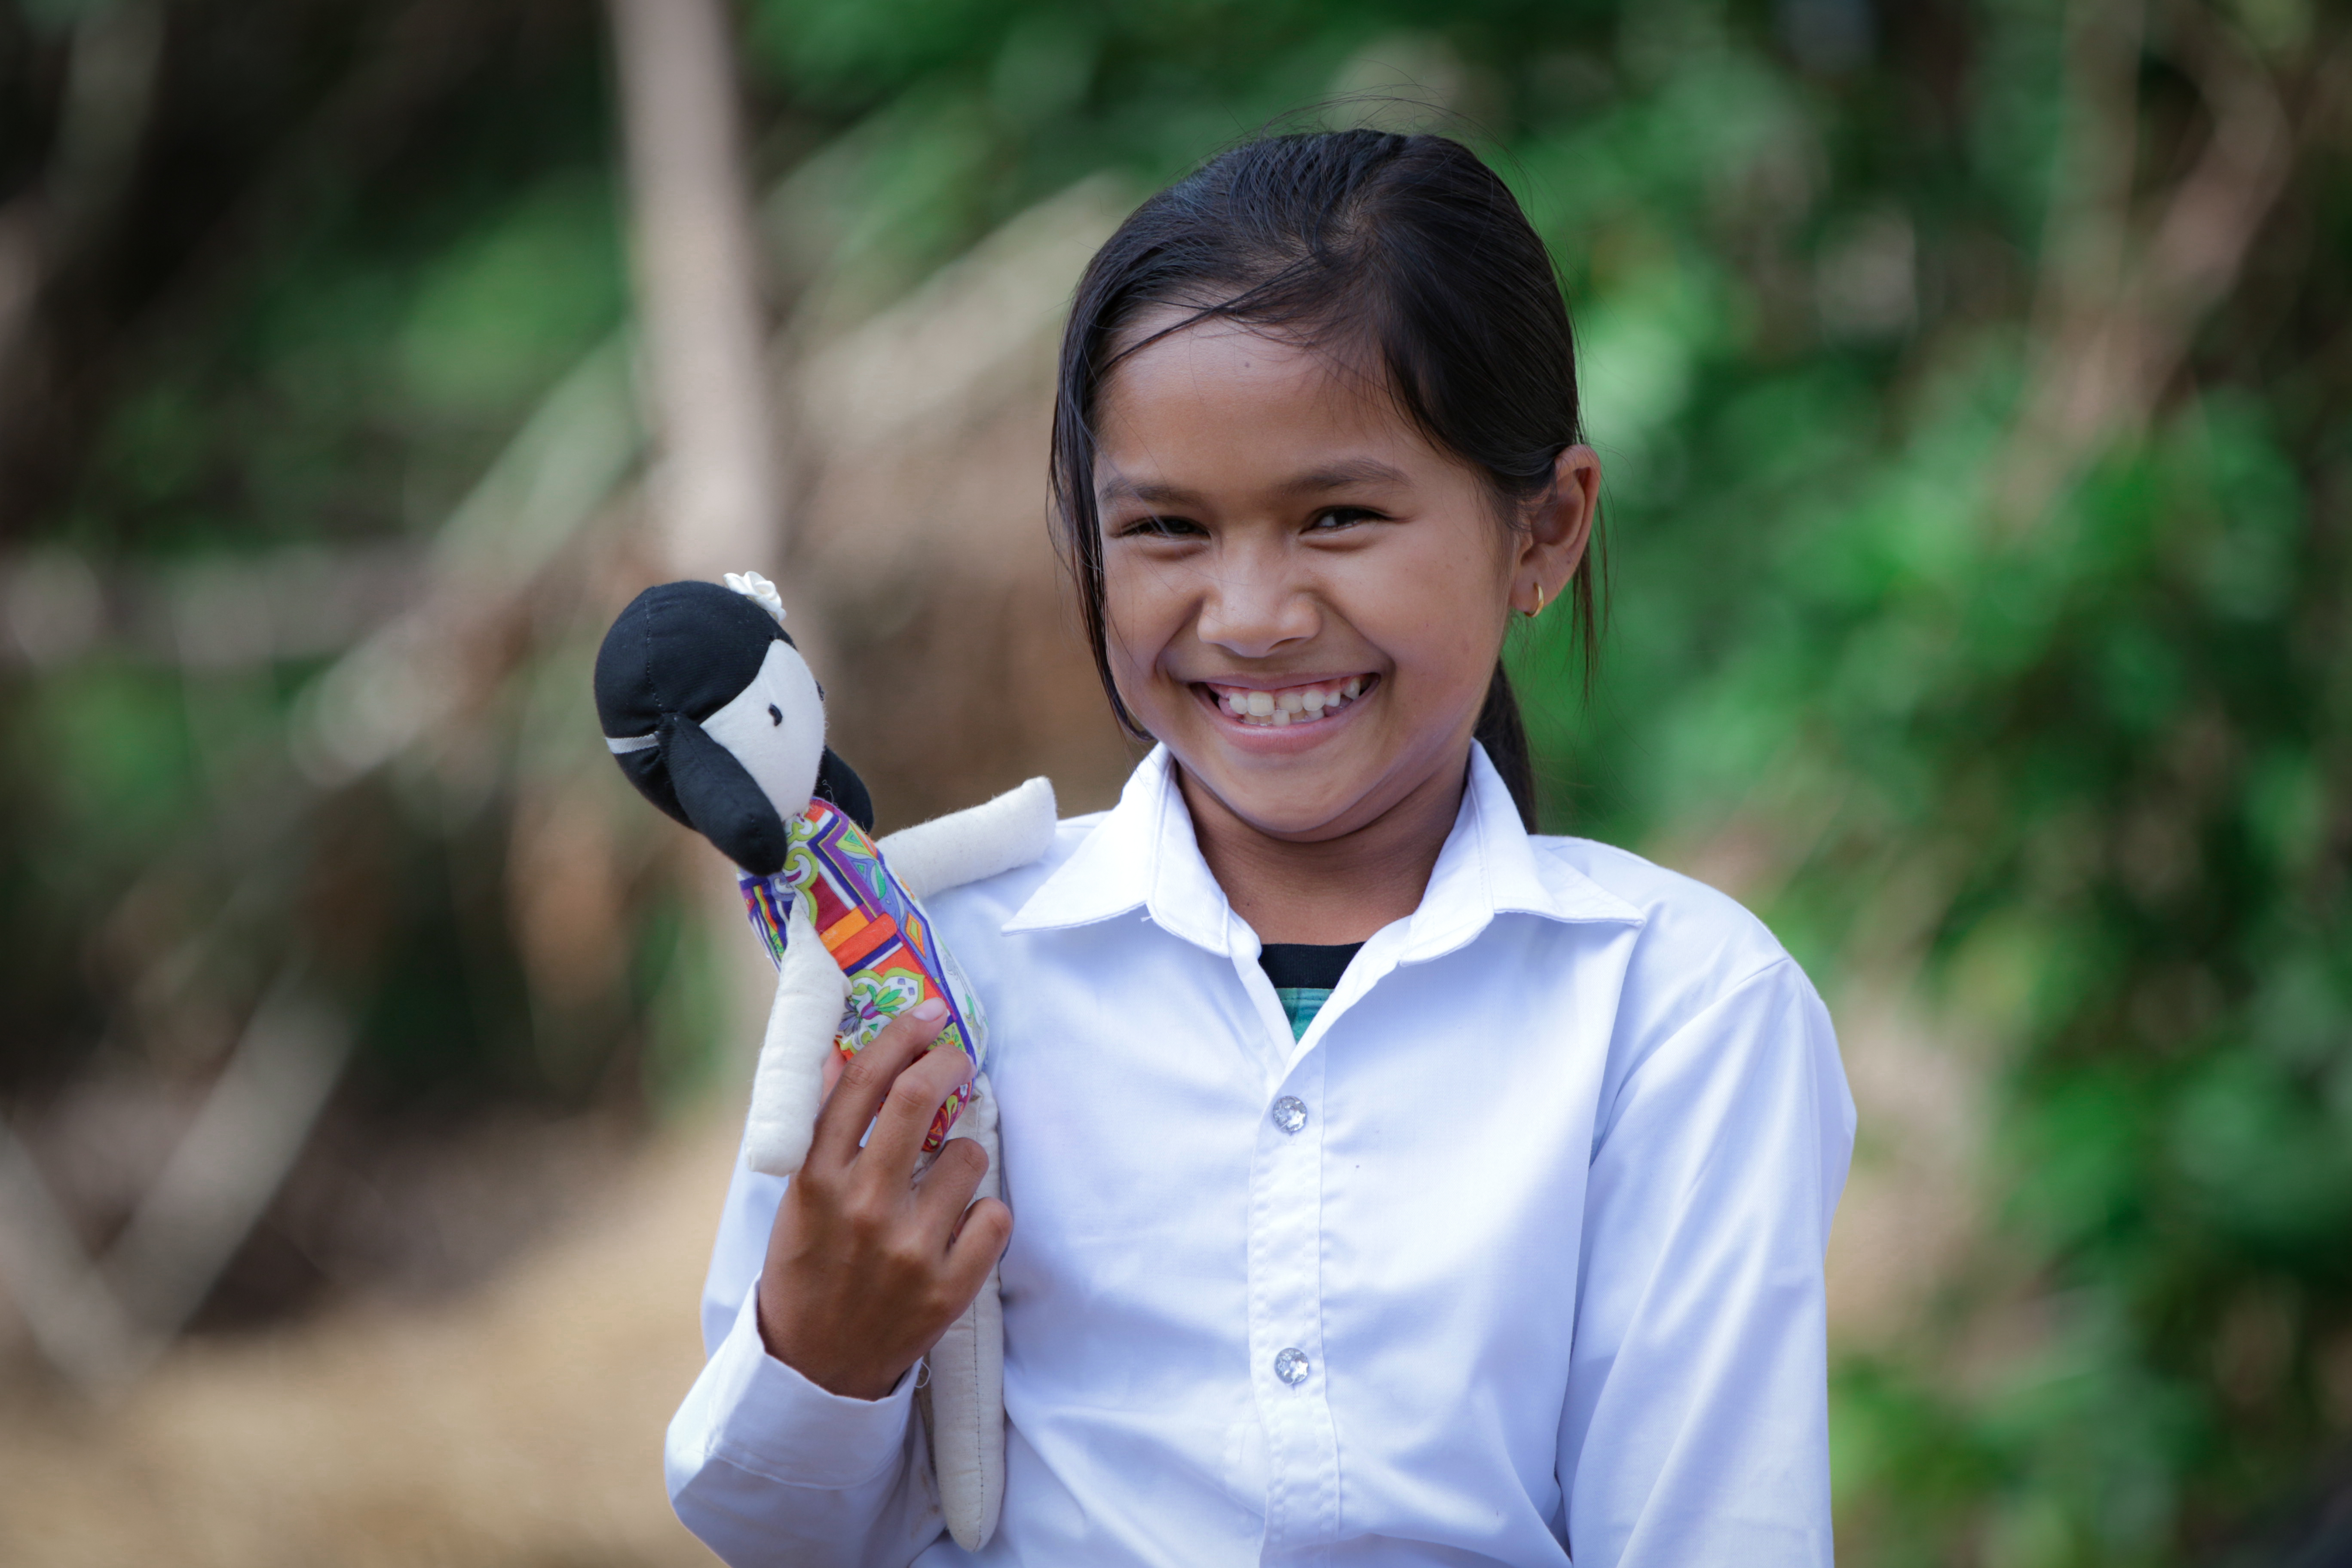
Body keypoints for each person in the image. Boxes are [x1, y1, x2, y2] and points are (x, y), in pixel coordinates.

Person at [665, 128, 1856, 1567]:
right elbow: (765, 1525)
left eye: (1337, 517)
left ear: (1544, 528)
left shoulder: (1677, 1011)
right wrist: (824, 1353)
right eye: (1167, 528)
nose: (1251, 612)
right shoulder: (933, 976)